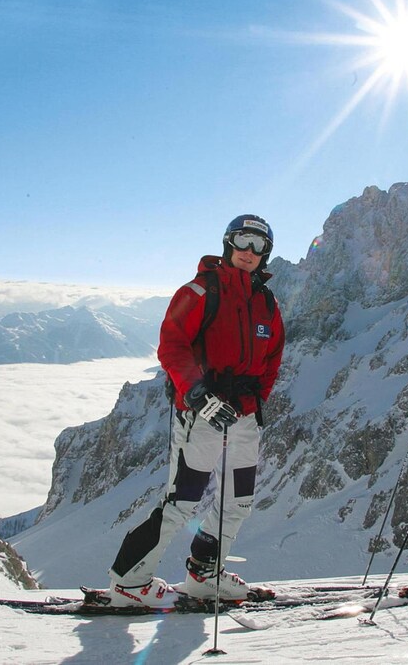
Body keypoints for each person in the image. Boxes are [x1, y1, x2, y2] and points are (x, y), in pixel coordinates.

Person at [104, 214, 285, 608]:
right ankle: (129, 582)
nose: (249, 251)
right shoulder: (200, 291)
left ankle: (205, 575)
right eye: (243, 240)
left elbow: (272, 357)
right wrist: (199, 396)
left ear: (266, 254)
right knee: (182, 502)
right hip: (202, 416)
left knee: (237, 502)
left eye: (259, 245)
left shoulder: (267, 303)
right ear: (228, 243)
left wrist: (255, 401)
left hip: (243, 419)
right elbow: (172, 346)